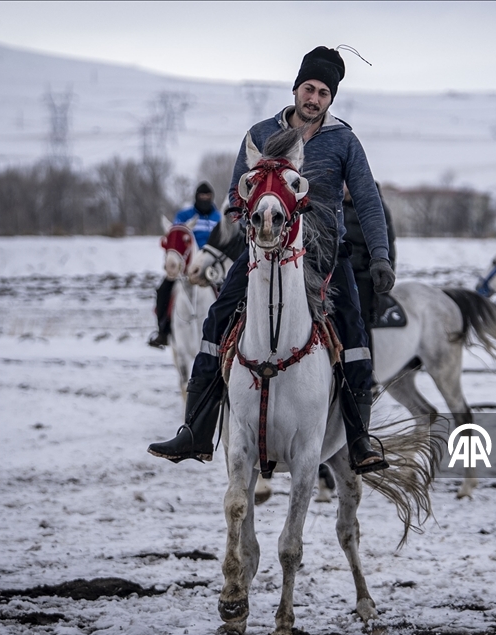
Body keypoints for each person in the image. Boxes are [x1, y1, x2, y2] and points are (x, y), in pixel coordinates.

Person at [147, 46, 396, 475]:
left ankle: (358, 439)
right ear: (295, 88)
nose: (314, 98)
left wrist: (380, 256)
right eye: (308, 88)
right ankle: (196, 429)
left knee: (354, 333)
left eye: (322, 92)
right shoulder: (261, 134)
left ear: (331, 99)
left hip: (325, 256)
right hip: (261, 250)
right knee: (217, 319)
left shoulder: (344, 141)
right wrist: (247, 219)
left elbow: (369, 201)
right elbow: (234, 197)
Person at [148, 182, 221, 348]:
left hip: (211, 266)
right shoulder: (183, 215)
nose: (205, 200)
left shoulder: (218, 218)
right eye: (201, 197)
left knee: (227, 291)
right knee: (163, 290)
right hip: (186, 267)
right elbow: (175, 239)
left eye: (207, 197)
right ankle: (163, 330)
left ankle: (227, 331)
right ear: (196, 197)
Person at [342, 182, 396, 339]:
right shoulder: (337, 205)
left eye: (346, 183)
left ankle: (366, 361)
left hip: (364, 276)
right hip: (340, 272)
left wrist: (384, 284)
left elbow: (388, 246)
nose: (343, 187)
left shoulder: (374, 207)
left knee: (361, 321)